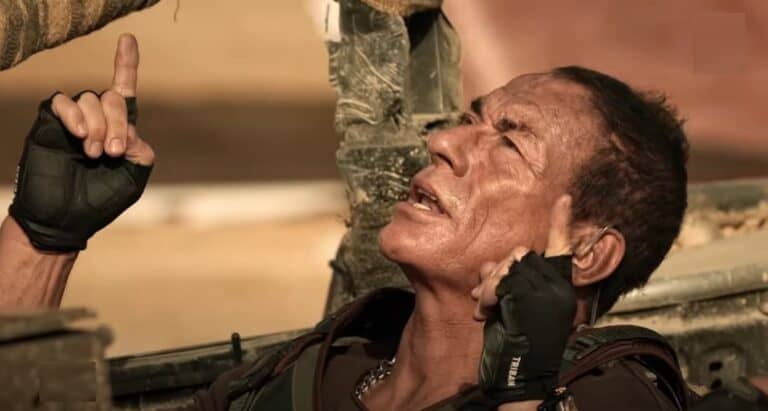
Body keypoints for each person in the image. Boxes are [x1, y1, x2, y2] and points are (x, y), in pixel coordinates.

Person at [0, 33, 698, 410]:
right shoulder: (320, 368)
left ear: (587, 252)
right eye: (469, 120)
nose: (445, 143)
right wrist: (42, 241)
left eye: (510, 144)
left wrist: (522, 383)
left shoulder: (608, 398)